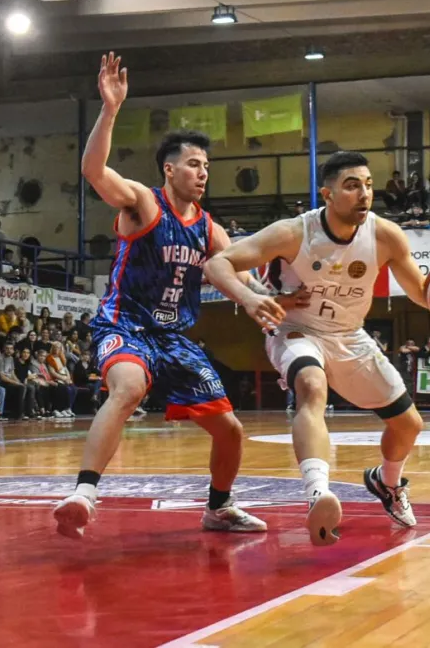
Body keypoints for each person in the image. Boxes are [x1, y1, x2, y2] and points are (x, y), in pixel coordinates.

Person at [53, 52, 297, 539]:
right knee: (127, 389)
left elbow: (243, 278)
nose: (203, 172)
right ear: (169, 170)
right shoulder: (144, 202)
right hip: (125, 324)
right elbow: (94, 171)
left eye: (206, 165)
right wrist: (110, 109)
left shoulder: (209, 228)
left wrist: (279, 300)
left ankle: (219, 508)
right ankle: (84, 493)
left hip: (173, 337)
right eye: (193, 164)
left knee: (230, 430)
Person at [205, 150, 430, 546]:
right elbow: (218, 264)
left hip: (350, 335)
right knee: (311, 386)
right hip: (296, 329)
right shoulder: (293, 232)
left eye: (369, 185)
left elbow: (422, 292)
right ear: (327, 194)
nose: (364, 193)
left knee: (408, 425)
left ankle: (387, 483)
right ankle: (318, 492)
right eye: (352, 185)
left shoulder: (384, 235)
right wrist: (248, 298)